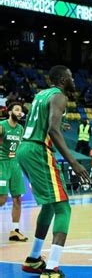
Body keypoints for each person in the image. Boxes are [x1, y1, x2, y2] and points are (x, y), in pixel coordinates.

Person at [17, 65, 91, 277]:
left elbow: (40, 122)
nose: (74, 81)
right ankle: (52, 269)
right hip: (38, 150)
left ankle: (33, 259)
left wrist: (61, 123)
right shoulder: (59, 96)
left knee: (49, 206)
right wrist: (74, 162)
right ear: (61, 80)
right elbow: (51, 129)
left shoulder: (41, 95)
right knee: (63, 208)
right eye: (70, 77)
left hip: (25, 148)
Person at [0, 102, 28, 242]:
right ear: (9, 112)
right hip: (1, 164)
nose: (19, 112)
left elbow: (20, 148)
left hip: (14, 164)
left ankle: (15, 231)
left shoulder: (21, 129)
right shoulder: (2, 126)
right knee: (2, 199)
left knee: (17, 198)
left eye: (21, 111)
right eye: (16, 110)